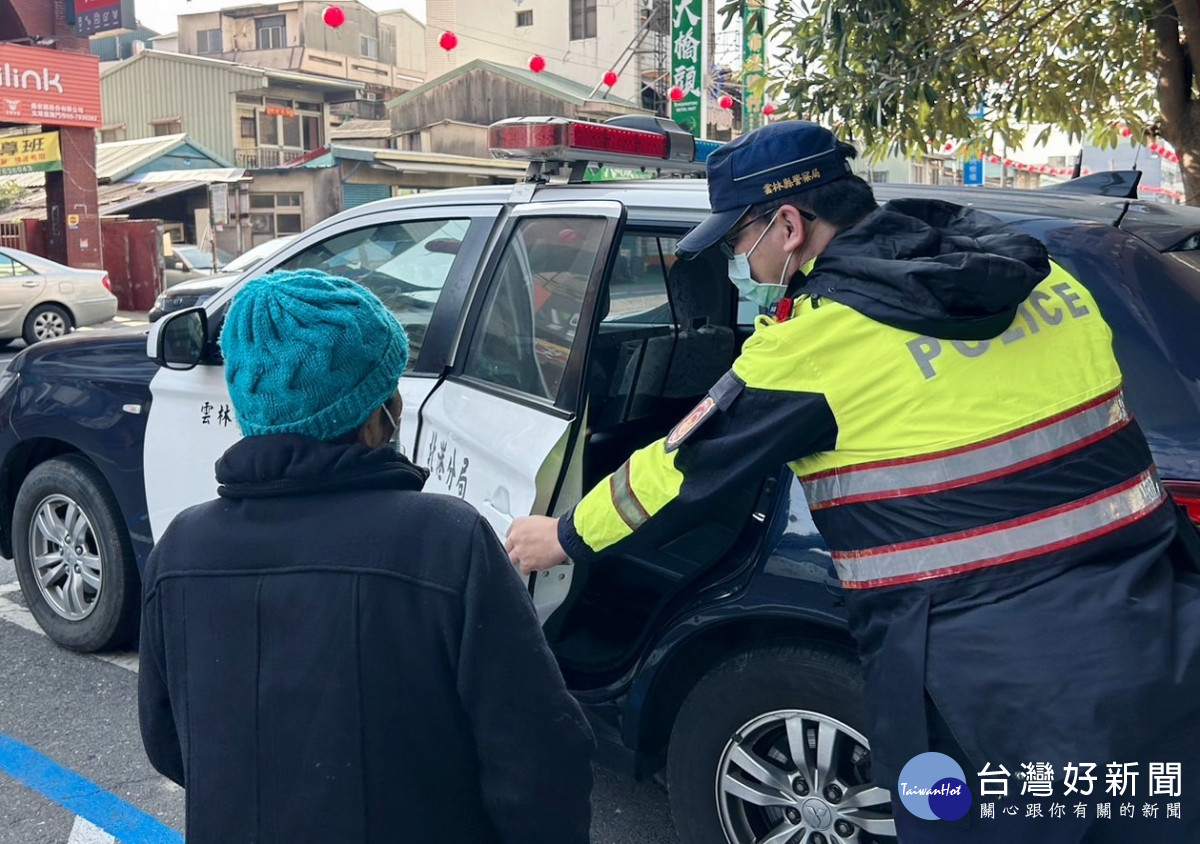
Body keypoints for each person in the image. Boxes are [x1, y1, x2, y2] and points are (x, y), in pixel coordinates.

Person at [505, 121, 1200, 841]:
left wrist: (561, 534)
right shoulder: (1052, 281)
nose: (741, 259)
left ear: (789, 224)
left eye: (739, 241)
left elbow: (681, 473)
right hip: (1156, 611)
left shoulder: (818, 344)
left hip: (981, 669)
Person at [139, 269, 594, 844]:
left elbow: (170, 745)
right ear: (379, 411)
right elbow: (541, 757)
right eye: (392, 387)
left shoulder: (180, 550)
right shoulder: (446, 541)